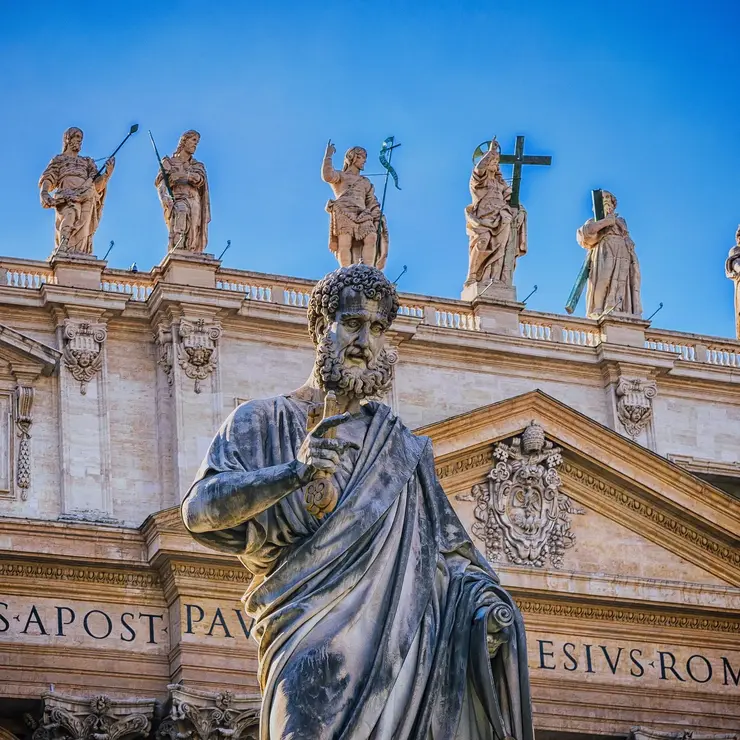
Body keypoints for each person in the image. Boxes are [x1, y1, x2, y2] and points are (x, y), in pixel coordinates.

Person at [182, 263, 534, 740]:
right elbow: (198, 511)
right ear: (319, 329)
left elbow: (450, 560)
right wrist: (292, 473)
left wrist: (484, 608)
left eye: (377, 328)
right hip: (305, 640)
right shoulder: (264, 421)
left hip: (399, 657)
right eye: (351, 323)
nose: (364, 341)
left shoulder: (402, 450)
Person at [39, 127, 114, 255]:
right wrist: (44, 192)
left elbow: (96, 184)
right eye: (77, 137)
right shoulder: (59, 159)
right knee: (70, 215)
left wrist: (107, 174)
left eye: (81, 138)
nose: (80, 141)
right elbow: (49, 177)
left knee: (84, 224)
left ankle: (80, 254)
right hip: (66, 194)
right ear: (68, 139)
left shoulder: (87, 162)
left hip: (87, 195)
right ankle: (64, 249)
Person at [464, 138, 527, 288]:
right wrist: (491, 152)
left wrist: (520, 211)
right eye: (492, 160)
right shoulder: (478, 182)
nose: (495, 163)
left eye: (496, 161)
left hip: (502, 218)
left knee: (501, 247)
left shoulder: (501, 184)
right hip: (483, 220)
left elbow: (513, 200)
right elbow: (479, 169)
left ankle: (496, 279)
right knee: (482, 242)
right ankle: (473, 276)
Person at [322, 141, 389, 269]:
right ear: (352, 158)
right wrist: (328, 156)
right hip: (343, 210)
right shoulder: (341, 176)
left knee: (372, 237)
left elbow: (372, 202)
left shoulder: (366, 182)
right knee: (345, 242)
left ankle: (368, 270)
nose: (364, 161)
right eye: (361, 157)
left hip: (363, 213)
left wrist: (377, 216)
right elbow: (327, 176)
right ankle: (346, 271)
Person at [576, 190, 642, 318]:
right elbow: (584, 235)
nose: (606, 202)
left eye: (608, 199)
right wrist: (606, 222)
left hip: (622, 250)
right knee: (603, 278)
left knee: (621, 280)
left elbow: (627, 236)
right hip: (605, 249)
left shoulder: (621, 222)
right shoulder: (593, 221)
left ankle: (618, 307)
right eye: (603, 200)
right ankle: (598, 309)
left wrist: (627, 240)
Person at [155, 130, 210, 253]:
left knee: (193, 232)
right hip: (178, 198)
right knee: (181, 213)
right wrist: (164, 198)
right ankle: (177, 248)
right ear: (184, 141)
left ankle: (190, 253)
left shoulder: (197, 165)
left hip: (194, 200)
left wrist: (182, 176)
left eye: (197, 142)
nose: (195, 144)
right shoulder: (169, 162)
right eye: (193, 140)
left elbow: (199, 179)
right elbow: (160, 182)